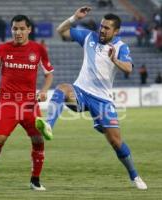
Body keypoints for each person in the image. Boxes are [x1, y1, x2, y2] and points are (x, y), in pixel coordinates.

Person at [36, 6, 147, 190]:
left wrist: (114, 60)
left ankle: (134, 176)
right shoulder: (89, 36)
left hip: (102, 101)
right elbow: (60, 31)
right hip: (81, 92)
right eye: (101, 26)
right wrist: (74, 18)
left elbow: (128, 68)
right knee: (62, 88)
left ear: (116, 31)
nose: (102, 30)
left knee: (116, 142)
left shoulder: (120, 47)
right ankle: (49, 125)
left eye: (106, 28)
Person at [0, 15, 54, 191]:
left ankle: (35, 180)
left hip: (29, 103)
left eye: (21, 29)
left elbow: (49, 73)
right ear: (11, 30)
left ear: (29, 30)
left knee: (38, 139)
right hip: (7, 103)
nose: (18, 32)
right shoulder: (2, 49)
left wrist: (43, 91)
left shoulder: (39, 49)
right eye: (14, 29)